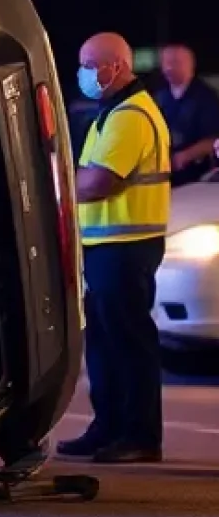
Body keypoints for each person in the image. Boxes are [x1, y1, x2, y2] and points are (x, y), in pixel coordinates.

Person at [58, 31, 170, 465]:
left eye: (90, 65)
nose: (83, 73)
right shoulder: (113, 113)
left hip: (127, 246)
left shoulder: (130, 117)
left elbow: (98, 181)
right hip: (109, 245)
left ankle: (139, 436)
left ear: (116, 67)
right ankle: (108, 427)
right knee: (105, 343)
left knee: (128, 343)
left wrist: (64, 187)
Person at [155, 44, 219, 187]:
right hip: (163, 174)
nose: (169, 68)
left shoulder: (205, 97)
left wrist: (184, 156)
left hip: (196, 177)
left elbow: (212, 139)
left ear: (191, 65)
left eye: (175, 62)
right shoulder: (160, 95)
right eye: (166, 63)